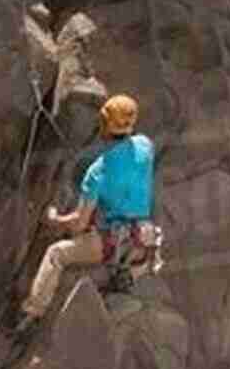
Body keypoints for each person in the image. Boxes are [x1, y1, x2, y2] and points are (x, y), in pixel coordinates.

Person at [20, 92, 163, 322]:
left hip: (111, 244)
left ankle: (31, 313)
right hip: (143, 242)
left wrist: (54, 219)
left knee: (56, 254)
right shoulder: (146, 147)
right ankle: (127, 275)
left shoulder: (97, 172)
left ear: (104, 123)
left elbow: (79, 224)